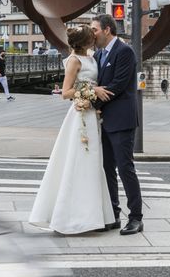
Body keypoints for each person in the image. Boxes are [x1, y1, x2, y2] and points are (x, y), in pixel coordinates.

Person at [28, 25, 114, 234]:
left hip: (91, 115)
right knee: (80, 161)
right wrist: (92, 90)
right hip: (80, 118)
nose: (95, 36)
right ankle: (74, 217)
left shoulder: (92, 56)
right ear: (85, 41)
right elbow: (65, 92)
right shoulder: (74, 60)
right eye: (91, 35)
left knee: (93, 163)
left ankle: (92, 216)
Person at [91, 14, 144, 235]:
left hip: (121, 120)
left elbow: (118, 85)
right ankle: (113, 215)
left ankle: (136, 218)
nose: (91, 33)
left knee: (125, 168)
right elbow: (96, 82)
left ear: (107, 30)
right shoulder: (97, 54)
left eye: (94, 29)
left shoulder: (125, 51)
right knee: (107, 169)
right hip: (103, 120)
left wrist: (91, 99)